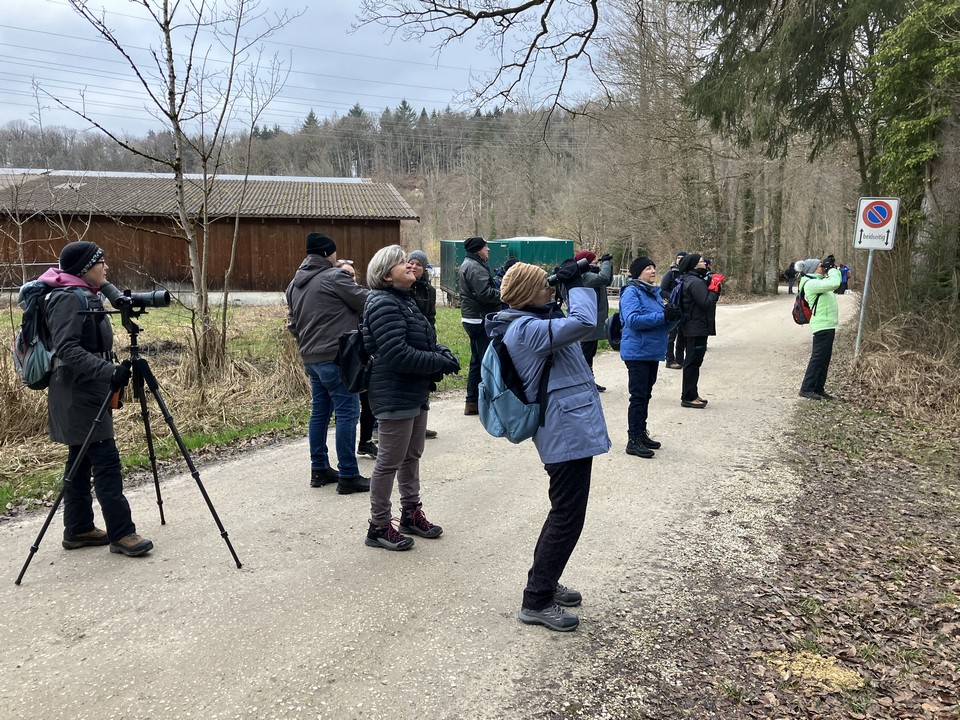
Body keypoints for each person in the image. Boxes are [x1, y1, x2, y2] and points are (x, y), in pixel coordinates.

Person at [485, 260, 611, 632]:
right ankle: (536, 599)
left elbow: (576, 327)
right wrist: (576, 285)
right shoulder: (526, 330)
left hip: (569, 428)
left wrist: (562, 290)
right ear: (527, 294)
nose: (550, 289)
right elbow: (586, 322)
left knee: (563, 513)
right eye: (544, 285)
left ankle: (545, 581)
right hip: (564, 432)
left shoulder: (533, 321)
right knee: (567, 517)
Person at [39, 241, 153, 557]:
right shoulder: (66, 298)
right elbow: (67, 348)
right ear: (85, 268)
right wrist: (108, 370)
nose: (106, 267)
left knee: (80, 460)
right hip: (78, 393)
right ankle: (122, 533)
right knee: (106, 461)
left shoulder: (83, 293)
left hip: (84, 389)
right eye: (101, 263)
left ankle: (78, 529)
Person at [361, 245, 460, 550]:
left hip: (414, 390)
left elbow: (424, 339)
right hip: (394, 392)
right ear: (386, 276)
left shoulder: (404, 299)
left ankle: (411, 514)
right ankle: (379, 526)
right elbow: (397, 354)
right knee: (389, 461)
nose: (410, 265)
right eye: (401, 263)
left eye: (408, 261)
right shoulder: (383, 303)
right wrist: (439, 362)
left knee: (411, 455)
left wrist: (443, 352)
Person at [286, 232, 370, 494]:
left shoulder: (293, 285)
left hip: (311, 359)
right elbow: (366, 301)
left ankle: (319, 469)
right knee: (347, 413)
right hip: (336, 358)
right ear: (327, 254)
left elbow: (292, 324)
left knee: (319, 413)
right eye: (334, 253)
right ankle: (348, 474)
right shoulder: (335, 277)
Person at [619, 256, 680, 458]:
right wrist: (663, 316)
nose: (653, 271)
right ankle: (633, 440)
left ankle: (641, 433)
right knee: (638, 396)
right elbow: (633, 320)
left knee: (646, 394)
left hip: (651, 352)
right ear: (638, 273)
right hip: (637, 352)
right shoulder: (632, 292)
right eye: (648, 268)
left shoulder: (653, 293)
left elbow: (663, 324)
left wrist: (674, 318)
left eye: (654, 267)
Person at [337, 259, 378, 459]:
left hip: (363, 354)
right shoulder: (336, 297)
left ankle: (365, 441)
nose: (350, 278)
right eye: (346, 275)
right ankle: (346, 459)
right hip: (343, 356)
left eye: (352, 275)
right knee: (348, 409)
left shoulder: (361, 295)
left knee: (368, 401)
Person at [458, 236, 501, 416]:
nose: (488, 250)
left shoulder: (470, 264)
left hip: (472, 318)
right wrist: (507, 293)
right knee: (486, 361)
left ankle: (472, 402)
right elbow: (485, 294)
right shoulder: (475, 267)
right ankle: (488, 403)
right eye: (485, 247)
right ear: (478, 250)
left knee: (477, 361)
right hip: (479, 319)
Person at [675, 253, 723, 409]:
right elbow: (706, 302)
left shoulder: (690, 279)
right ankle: (688, 397)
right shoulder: (695, 282)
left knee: (694, 362)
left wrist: (713, 287)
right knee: (693, 363)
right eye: (702, 262)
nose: (705, 264)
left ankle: (692, 393)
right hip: (696, 328)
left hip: (693, 326)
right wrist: (714, 288)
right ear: (694, 265)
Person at [567, 250, 613, 392]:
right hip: (587, 321)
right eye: (594, 260)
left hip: (593, 321)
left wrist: (608, 265)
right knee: (586, 354)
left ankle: (589, 380)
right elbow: (604, 278)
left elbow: (607, 280)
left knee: (589, 353)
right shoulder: (584, 276)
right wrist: (606, 262)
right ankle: (584, 382)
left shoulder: (590, 274)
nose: (596, 262)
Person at [797, 256, 842, 400]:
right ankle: (806, 388)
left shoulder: (820, 281)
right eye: (820, 265)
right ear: (813, 269)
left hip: (828, 324)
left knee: (824, 359)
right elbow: (835, 283)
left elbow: (835, 281)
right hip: (822, 324)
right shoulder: (811, 283)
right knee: (817, 358)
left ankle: (818, 388)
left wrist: (832, 268)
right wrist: (832, 269)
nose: (823, 267)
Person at [408, 249, 439, 439]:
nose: (414, 267)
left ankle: (420, 424)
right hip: (408, 340)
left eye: (418, 264)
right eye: (411, 263)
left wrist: (432, 340)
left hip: (424, 340)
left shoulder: (430, 290)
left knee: (423, 383)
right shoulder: (403, 286)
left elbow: (431, 317)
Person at [660, 251, 687, 369]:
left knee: (682, 335)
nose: (680, 260)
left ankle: (680, 359)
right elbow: (662, 290)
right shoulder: (670, 274)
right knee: (671, 336)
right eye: (678, 257)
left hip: (684, 309)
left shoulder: (687, 274)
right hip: (672, 308)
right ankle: (669, 359)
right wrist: (674, 297)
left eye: (682, 258)